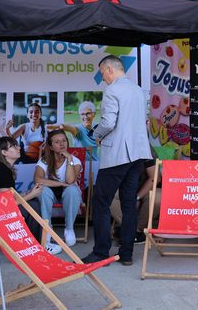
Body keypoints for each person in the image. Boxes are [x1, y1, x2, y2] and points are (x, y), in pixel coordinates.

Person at [81, 55, 151, 266]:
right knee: (129, 203)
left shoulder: (112, 90)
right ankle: (126, 254)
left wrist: (96, 135)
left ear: (110, 69)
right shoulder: (137, 90)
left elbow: (109, 122)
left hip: (118, 154)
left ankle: (101, 252)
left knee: (100, 201)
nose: (102, 78)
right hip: (137, 154)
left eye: (102, 73)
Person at [34, 130, 82, 253]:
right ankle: (47, 229)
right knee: (43, 190)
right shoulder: (44, 160)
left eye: (64, 140)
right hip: (51, 192)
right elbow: (38, 179)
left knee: (72, 189)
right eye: (57, 142)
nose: (61, 144)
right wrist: (60, 183)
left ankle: (69, 228)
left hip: (68, 193)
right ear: (51, 146)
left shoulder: (74, 160)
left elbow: (70, 181)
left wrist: (69, 159)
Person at [0, 136, 44, 241]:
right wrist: (31, 195)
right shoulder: (1, 169)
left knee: (33, 202)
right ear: (4, 152)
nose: (19, 148)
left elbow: (9, 196)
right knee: (33, 205)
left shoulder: (1, 167)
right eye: (14, 146)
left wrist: (28, 192)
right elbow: (7, 204)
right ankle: (35, 244)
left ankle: (34, 242)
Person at [110, 157, 160, 244]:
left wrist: (137, 197)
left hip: (144, 189)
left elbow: (155, 177)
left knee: (157, 198)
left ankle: (135, 230)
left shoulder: (145, 148)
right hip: (123, 189)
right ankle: (133, 231)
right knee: (108, 195)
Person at [58, 100, 99, 171]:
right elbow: (70, 127)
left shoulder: (97, 127)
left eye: (88, 113)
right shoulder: (78, 129)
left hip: (95, 164)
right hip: (79, 166)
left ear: (94, 114)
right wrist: (62, 126)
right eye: (82, 114)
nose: (85, 117)